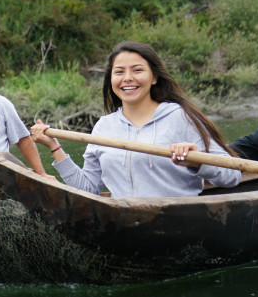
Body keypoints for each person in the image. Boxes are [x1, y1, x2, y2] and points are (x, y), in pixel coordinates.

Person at [30, 41, 241, 197]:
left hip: (178, 221)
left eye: (137, 70)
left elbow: (232, 176)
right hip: (126, 222)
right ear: (111, 79)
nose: (127, 78)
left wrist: (197, 163)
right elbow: (87, 190)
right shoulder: (104, 127)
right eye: (119, 72)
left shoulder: (180, 117)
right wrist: (55, 148)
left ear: (154, 77)